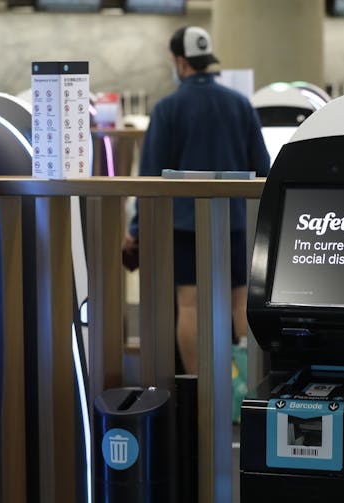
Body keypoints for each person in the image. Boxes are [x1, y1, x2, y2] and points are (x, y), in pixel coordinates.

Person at [123, 25, 270, 374]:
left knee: (189, 306)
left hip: (184, 225)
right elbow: (262, 167)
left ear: (180, 62)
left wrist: (136, 228)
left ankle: (196, 387)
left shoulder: (167, 109)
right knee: (238, 304)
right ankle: (241, 390)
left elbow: (150, 178)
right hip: (234, 222)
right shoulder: (240, 105)